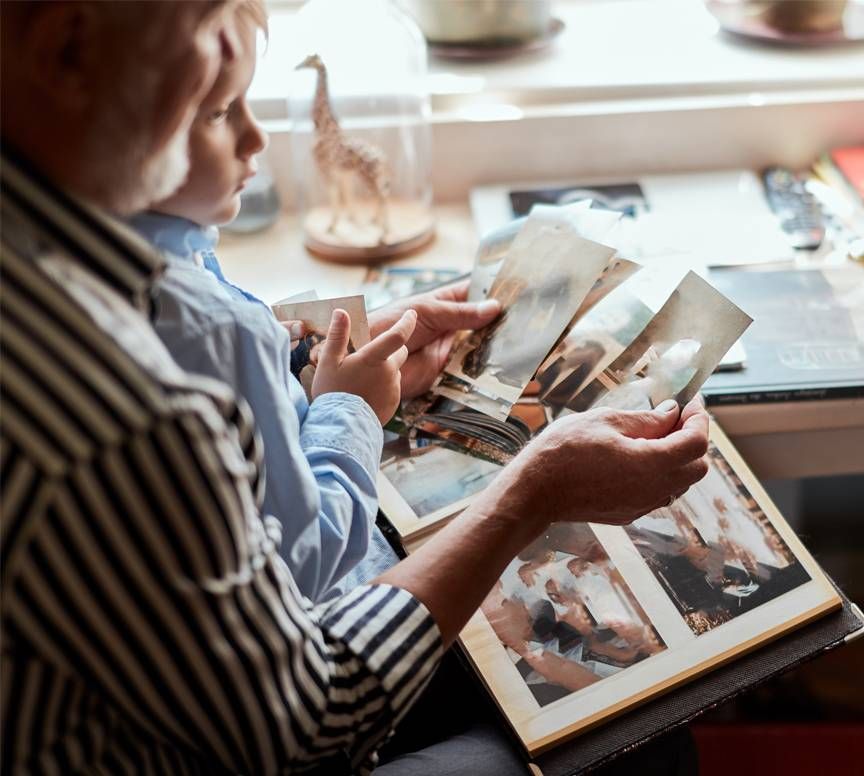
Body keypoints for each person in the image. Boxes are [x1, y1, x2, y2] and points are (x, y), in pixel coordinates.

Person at [0, 2, 709, 774]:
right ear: (66, 48)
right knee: (635, 732)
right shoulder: (125, 412)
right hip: (254, 733)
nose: (250, 128)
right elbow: (305, 722)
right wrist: (528, 496)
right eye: (206, 42)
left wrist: (298, 351)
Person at [125, 0, 500, 600]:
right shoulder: (209, 327)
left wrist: (308, 366)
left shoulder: (184, 256)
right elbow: (304, 557)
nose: (257, 136)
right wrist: (351, 408)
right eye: (221, 111)